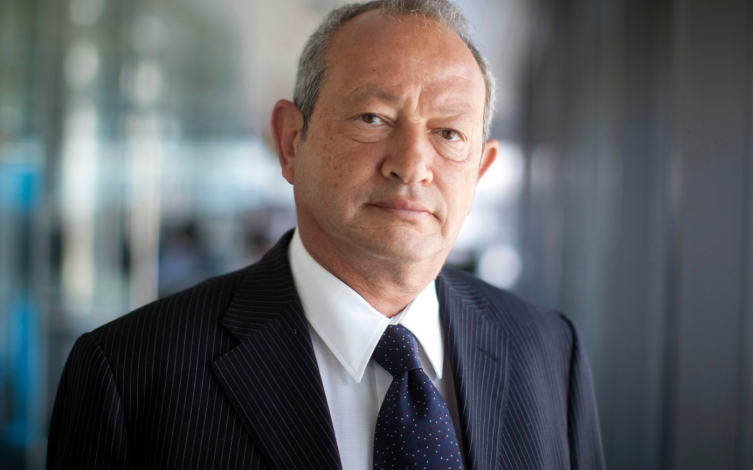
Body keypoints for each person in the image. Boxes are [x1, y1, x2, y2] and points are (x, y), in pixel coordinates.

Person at [47, 1, 605, 469]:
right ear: (291, 142)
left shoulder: (550, 352)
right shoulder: (130, 372)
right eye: (372, 118)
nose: (412, 165)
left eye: (449, 133)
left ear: (480, 171)